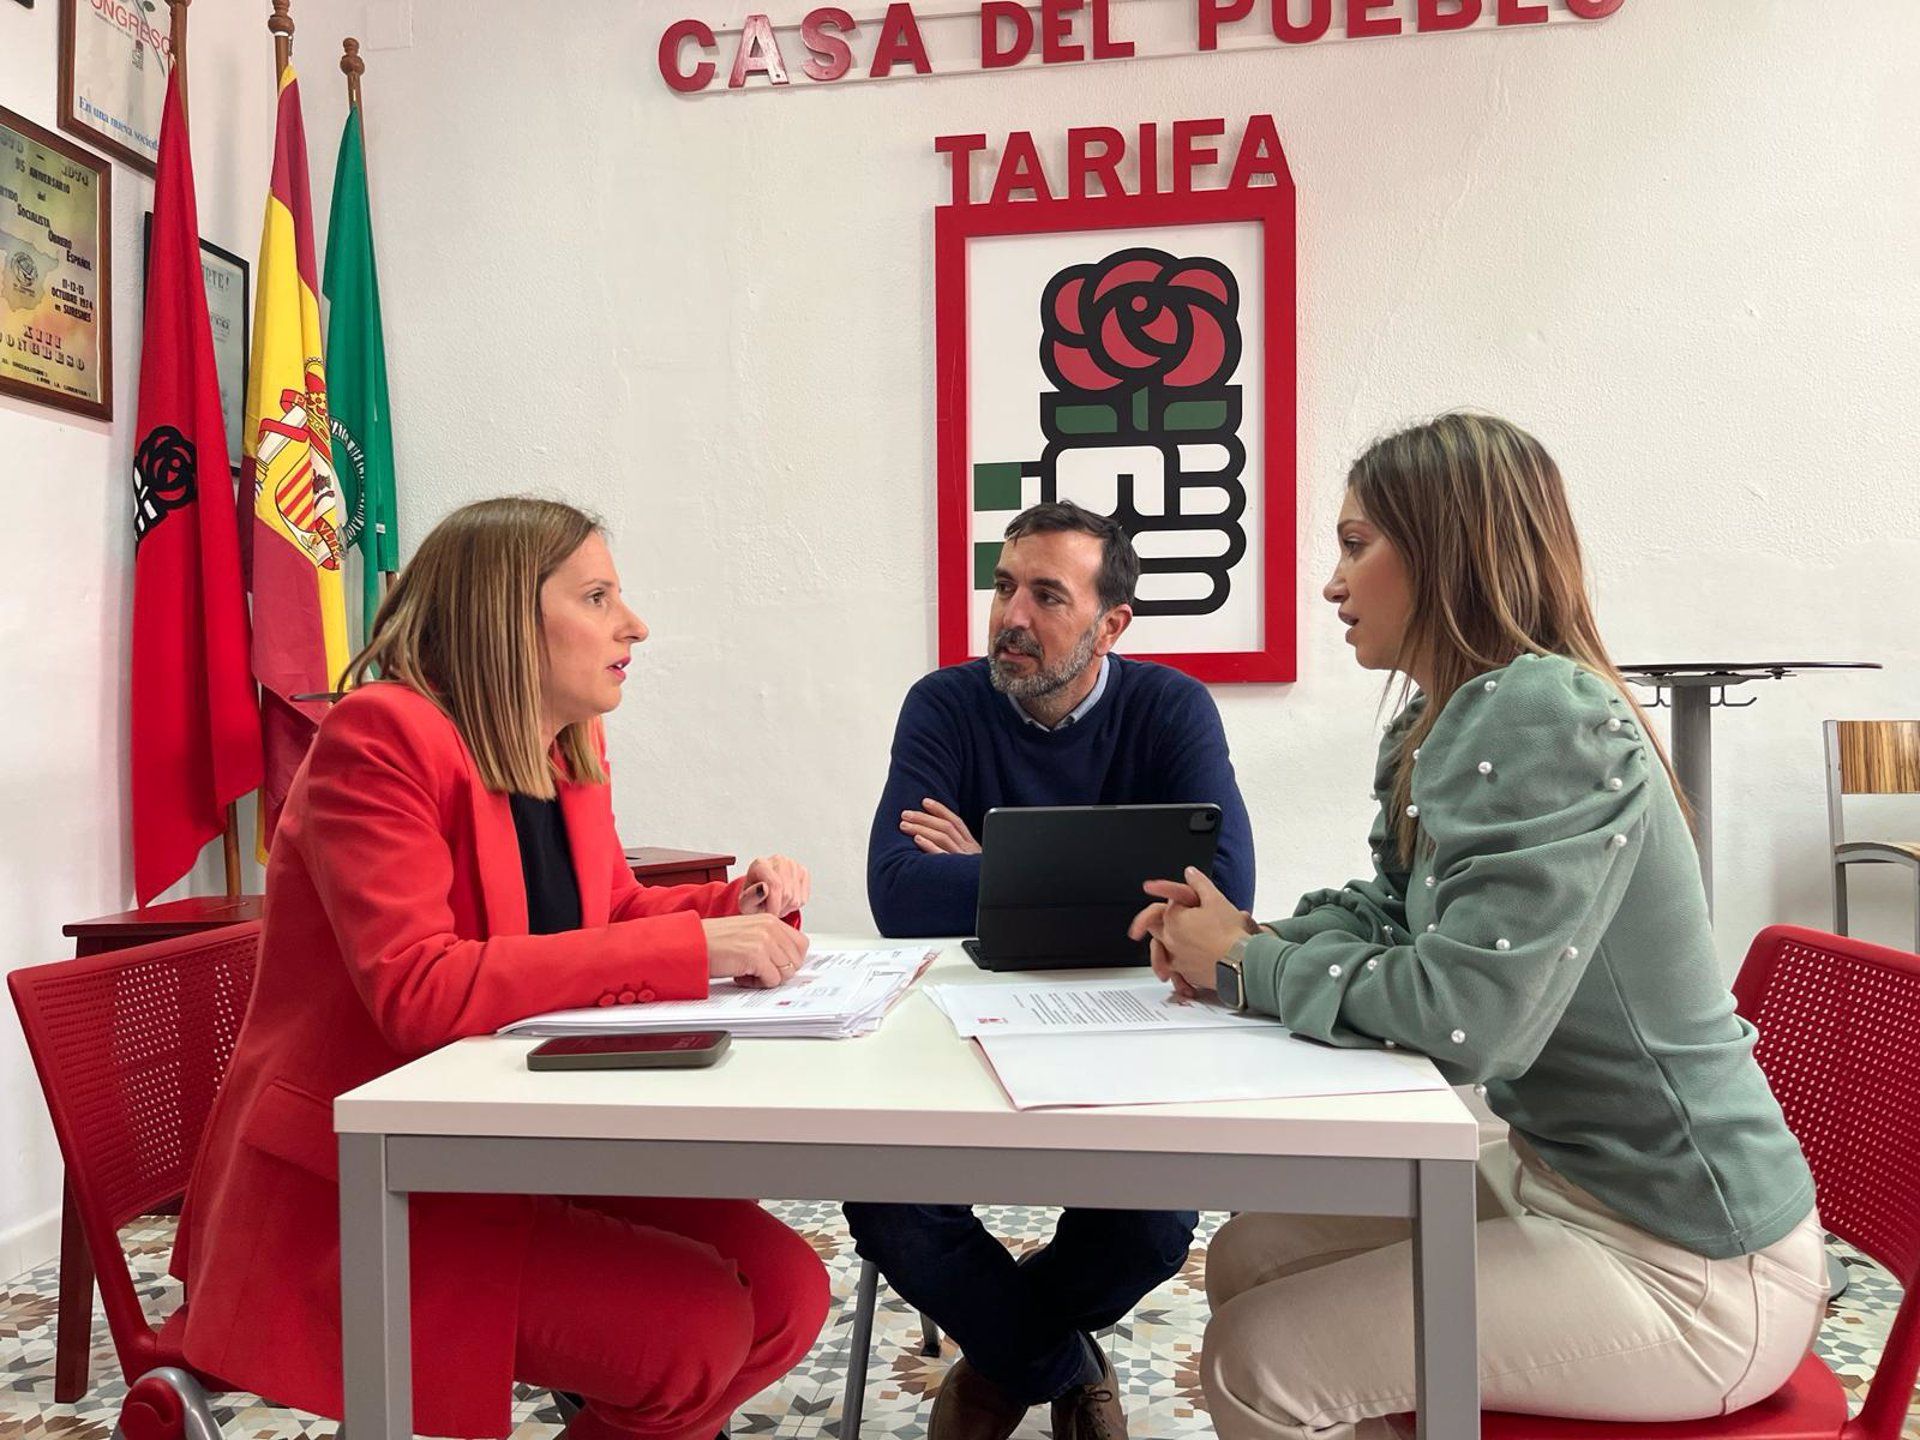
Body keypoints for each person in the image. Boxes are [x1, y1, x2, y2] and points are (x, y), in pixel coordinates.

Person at [1131, 413, 1826, 1440]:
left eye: (1357, 543)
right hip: (1561, 1181)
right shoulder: (1450, 716)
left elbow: (1469, 1023)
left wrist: (1245, 962)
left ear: (1448, 549)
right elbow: (1397, 913)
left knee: (1255, 1364)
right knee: (1250, 1256)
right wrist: (1252, 934)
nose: (1331, 583)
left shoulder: (1542, 714)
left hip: (1690, 1263)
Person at [172, 498, 832, 1440]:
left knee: (790, 1292)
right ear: (504, 617)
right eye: (599, 597)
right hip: (366, 1183)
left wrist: (733, 911)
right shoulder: (379, 739)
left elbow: (603, 920)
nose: (634, 625)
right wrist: (692, 949)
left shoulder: (563, 740)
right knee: (694, 1334)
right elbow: (420, 987)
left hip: (511, 1140)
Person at [854, 500, 1256, 1440]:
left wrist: (981, 861)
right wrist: (1113, 875)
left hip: (1123, 1026)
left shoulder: (1170, 708)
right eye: (1003, 588)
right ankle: (1054, 1362)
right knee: (888, 1204)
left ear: (1111, 623)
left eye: (1046, 595)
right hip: (954, 1020)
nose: (1011, 618)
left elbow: (1221, 896)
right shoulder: (944, 704)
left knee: (1151, 1229)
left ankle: (1000, 1361)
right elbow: (898, 895)